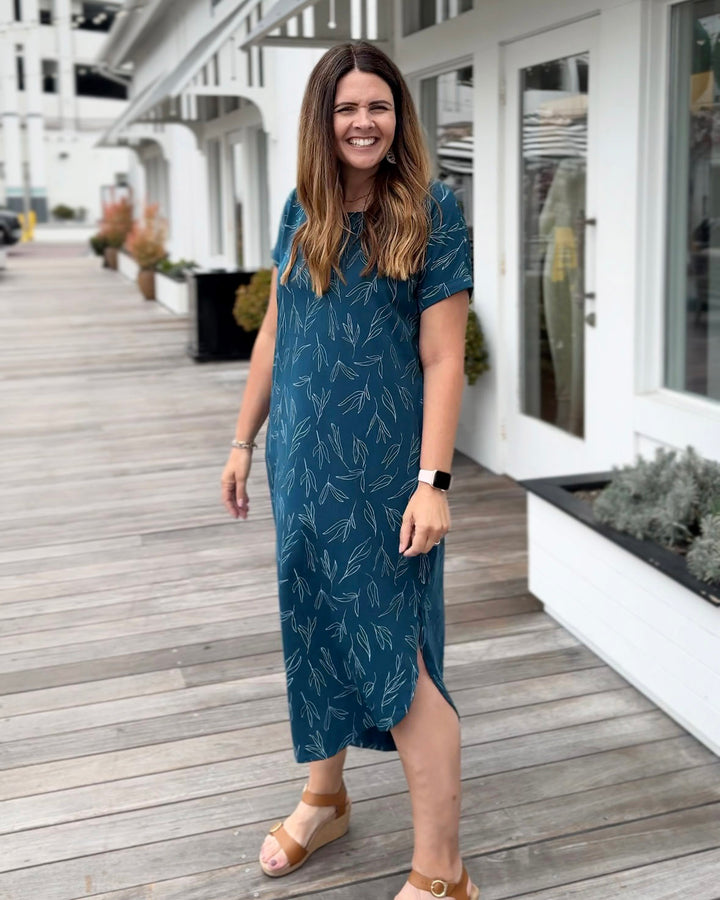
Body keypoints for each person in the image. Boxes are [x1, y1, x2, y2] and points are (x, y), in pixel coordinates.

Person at [221, 41, 478, 900]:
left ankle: (443, 873)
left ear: (398, 115)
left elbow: (445, 359)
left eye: (378, 106)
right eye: (346, 108)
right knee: (316, 629)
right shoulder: (303, 206)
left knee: (398, 658)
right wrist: (242, 441)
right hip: (301, 465)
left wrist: (433, 484)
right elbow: (276, 331)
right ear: (322, 120)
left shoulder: (433, 209)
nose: (363, 122)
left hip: (384, 479)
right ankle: (324, 798)